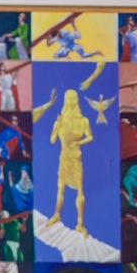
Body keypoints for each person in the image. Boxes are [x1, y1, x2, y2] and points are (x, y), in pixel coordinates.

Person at [48, 89, 94, 235]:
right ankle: (56, 215)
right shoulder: (61, 120)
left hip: (76, 158)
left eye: (73, 98)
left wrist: (79, 142)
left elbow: (90, 136)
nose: (71, 101)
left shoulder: (83, 120)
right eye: (68, 99)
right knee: (60, 188)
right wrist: (56, 125)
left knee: (80, 190)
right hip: (64, 158)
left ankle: (80, 224)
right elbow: (52, 139)